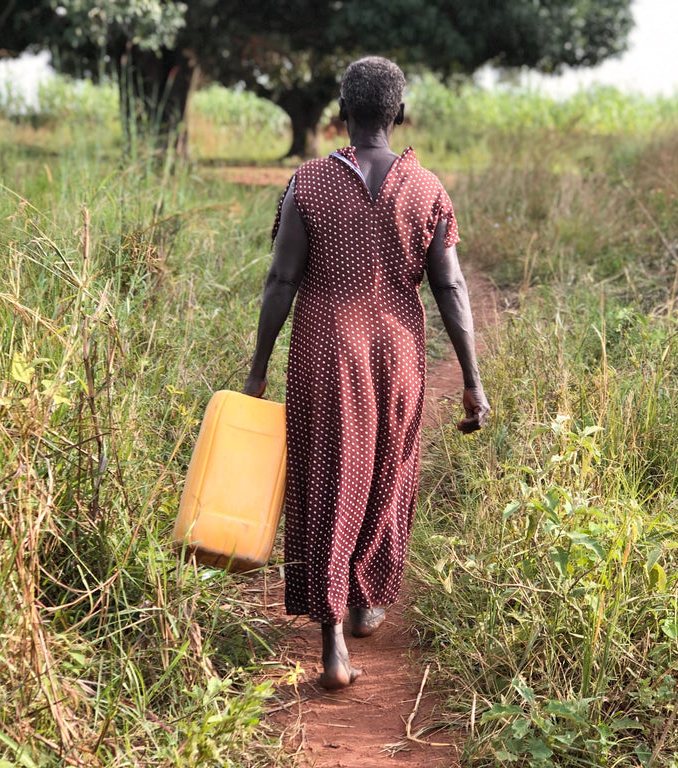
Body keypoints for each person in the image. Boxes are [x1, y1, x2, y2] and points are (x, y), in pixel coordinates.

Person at [243, 56, 489, 690]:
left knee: (326, 475)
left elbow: (281, 280)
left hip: (325, 348)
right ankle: (361, 603)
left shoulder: (309, 184)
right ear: (398, 114)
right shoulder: (427, 189)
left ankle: (331, 642)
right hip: (398, 351)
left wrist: (259, 368)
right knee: (386, 467)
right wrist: (471, 379)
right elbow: (451, 286)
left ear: (341, 115)